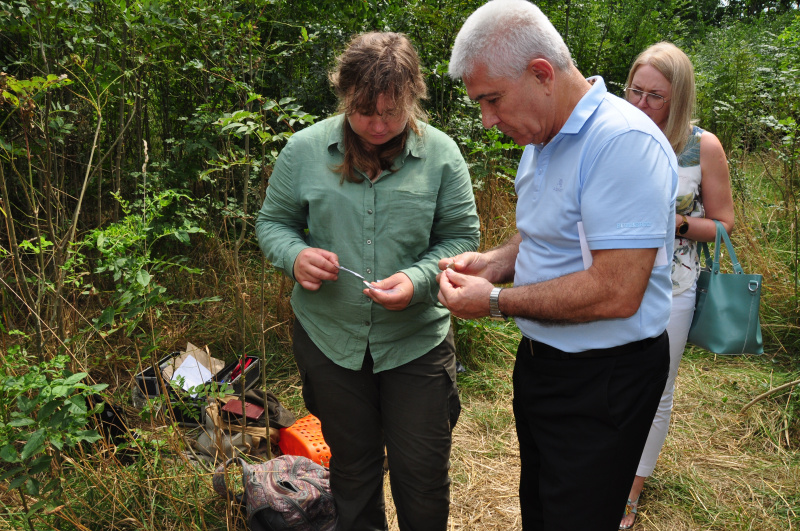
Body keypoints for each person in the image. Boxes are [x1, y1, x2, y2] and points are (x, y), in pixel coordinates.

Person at [438, 1, 678, 529]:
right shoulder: (543, 138)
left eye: (492, 99)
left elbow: (617, 290)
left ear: (542, 74)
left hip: (606, 378)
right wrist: (493, 263)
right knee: (543, 507)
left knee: (580, 515)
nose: (487, 120)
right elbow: (547, 235)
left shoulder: (622, 143)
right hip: (545, 362)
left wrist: (496, 302)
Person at [255, 32, 480, 531]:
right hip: (330, 341)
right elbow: (272, 223)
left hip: (416, 343)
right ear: (343, 96)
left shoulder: (441, 156)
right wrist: (295, 256)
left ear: (413, 98)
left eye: (392, 113)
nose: (378, 125)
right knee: (353, 471)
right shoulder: (304, 150)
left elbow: (462, 237)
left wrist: (418, 279)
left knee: (421, 475)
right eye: (363, 111)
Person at [619, 42, 735, 530]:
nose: (641, 104)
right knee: (610, 379)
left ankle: (630, 490)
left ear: (679, 97)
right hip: (610, 280)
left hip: (673, 286)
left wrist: (674, 223)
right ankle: (603, 468)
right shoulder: (617, 134)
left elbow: (725, 225)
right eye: (635, 90)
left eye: (655, 96)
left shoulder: (701, 146)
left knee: (657, 388)